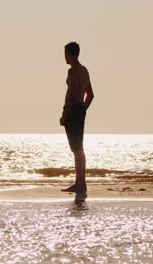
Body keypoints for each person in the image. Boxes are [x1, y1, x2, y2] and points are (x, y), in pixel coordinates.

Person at [60, 42, 95, 192]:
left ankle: (80, 184)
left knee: (76, 149)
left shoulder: (73, 71)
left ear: (71, 54)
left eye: (66, 54)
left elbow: (72, 96)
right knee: (79, 149)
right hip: (79, 109)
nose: (64, 57)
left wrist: (65, 115)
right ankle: (81, 182)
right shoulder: (84, 70)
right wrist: (83, 110)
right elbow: (90, 95)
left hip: (73, 111)